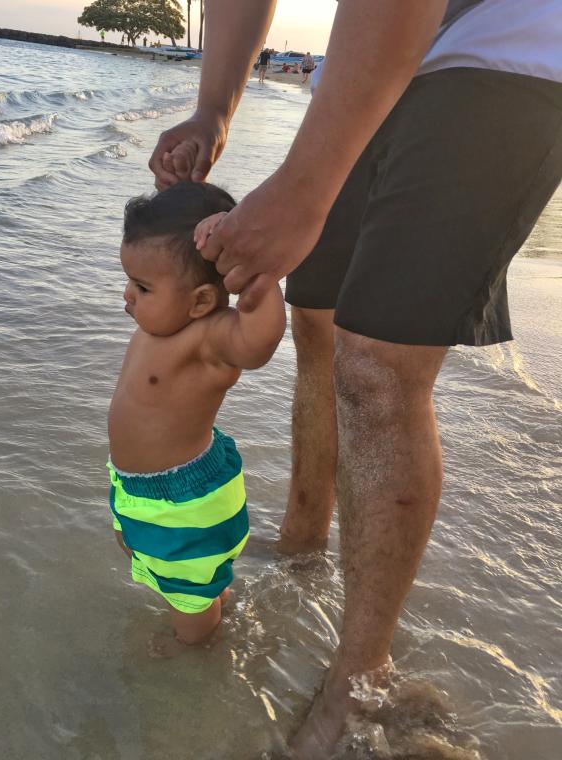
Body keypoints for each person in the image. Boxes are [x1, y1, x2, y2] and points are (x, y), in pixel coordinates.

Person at [148, 0, 562, 756]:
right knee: (318, 325)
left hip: (502, 48)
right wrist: (212, 108)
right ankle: (303, 543)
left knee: (376, 363)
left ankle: (361, 679)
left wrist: (304, 189)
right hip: (366, 64)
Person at [107, 181, 286, 646]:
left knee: (187, 592)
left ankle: (196, 646)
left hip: (184, 501)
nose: (128, 295)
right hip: (140, 488)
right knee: (155, 558)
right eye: (130, 280)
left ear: (202, 300)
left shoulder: (210, 337)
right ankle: (210, 598)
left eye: (143, 287)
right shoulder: (160, 324)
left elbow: (259, 342)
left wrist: (257, 277)